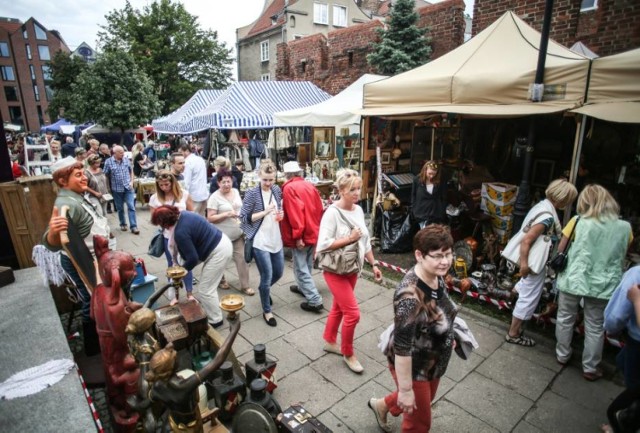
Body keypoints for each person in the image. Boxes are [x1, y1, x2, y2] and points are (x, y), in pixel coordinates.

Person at [369, 225, 457, 433]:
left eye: (448, 254)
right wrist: (406, 390)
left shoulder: (435, 274)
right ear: (419, 255)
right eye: (437, 256)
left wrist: (447, 334)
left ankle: (382, 405)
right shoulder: (409, 297)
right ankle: (398, 398)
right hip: (415, 366)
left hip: (434, 359)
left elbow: (438, 309)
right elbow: (402, 348)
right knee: (418, 424)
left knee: (426, 400)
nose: (444, 261)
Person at [555, 184, 632, 380]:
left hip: (575, 278)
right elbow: (623, 253)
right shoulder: (625, 228)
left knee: (565, 317)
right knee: (595, 325)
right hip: (603, 283)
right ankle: (590, 367)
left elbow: (561, 248)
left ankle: (562, 355)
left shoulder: (577, 221)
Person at [42, 156, 111, 356]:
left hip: (96, 256)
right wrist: (54, 232)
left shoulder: (76, 197)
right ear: (63, 181)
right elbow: (50, 242)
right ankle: (94, 347)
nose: (85, 179)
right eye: (78, 175)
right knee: (92, 299)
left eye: (84, 174)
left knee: (98, 297)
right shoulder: (65, 203)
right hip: (82, 260)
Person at [317, 168, 382, 373]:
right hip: (334, 270)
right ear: (341, 190)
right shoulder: (332, 213)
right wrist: (349, 238)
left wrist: (374, 264)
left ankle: (329, 340)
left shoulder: (358, 210)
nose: (357, 193)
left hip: (353, 268)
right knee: (353, 314)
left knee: (339, 307)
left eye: (358, 188)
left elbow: (365, 241)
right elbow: (323, 245)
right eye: (352, 189)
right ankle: (347, 352)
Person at [505, 179, 578, 347]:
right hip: (533, 264)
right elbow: (527, 241)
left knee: (526, 291)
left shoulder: (541, 207)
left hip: (531, 261)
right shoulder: (547, 217)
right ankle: (514, 333)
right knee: (529, 298)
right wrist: (524, 265)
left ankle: (513, 299)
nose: (569, 203)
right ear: (562, 198)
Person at [151, 205, 233, 328]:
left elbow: (193, 258)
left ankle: (215, 320)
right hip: (218, 242)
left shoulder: (180, 233)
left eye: (160, 224)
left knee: (206, 289)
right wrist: (179, 269)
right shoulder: (184, 214)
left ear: (166, 223)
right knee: (184, 265)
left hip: (219, 251)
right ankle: (209, 311)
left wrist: (181, 272)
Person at [240, 160, 284, 327]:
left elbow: (278, 210)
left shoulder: (276, 190)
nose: (268, 183)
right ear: (259, 176)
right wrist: (264, 212)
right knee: (266, 276)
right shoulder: (252, 193)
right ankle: (267, 310)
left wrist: (281, 215)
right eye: (265, 179)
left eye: (271, 179)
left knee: (278, 273)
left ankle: (263, 291)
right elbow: (243, 217)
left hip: (275, 237)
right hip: (259, 239)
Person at [280, 161, 324, 312]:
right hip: (313, 230)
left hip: (302, 234)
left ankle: (314, 299)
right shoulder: (309, 185)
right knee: (307, 263)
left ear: (287, 174)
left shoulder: (289, 188)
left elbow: (295, 214)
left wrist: (298, 236)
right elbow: (320, 208)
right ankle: (303, 287)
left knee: (301, 267)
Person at [602, 268, 640, 433]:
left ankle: (626, 422)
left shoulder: (636, 274)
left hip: (637, 342)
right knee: (622, 362)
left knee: (634, 387)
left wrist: (637, 300)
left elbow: (616, 317)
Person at [149, 171, 195, 305]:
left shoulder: (184, 194)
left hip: (185, 235)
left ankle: (189, 293)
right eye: (161, 185)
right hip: (167, 235)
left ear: (172, 182)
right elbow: (154, 219)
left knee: (187, 263)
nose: (164, 187)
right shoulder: (154, 198)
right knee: (172, 264)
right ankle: (175, 294)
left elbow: (192, 213)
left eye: (167, 184)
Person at [207, 167, 254, 296]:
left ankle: (245, 286)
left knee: (242, 260)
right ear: (218, 183)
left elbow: (240, 207)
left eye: (229, 181)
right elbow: (210, 218)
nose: (227, 184)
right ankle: (221, 280)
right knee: (221, 260)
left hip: (237, 234)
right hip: (221, 236)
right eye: (224, 182)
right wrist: (227, 214)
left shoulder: (235, 191)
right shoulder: (214, 197)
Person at [104, 145, 139, 234]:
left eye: (123, 152)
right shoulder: (108, 162)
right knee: (120, 208)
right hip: (116, 189)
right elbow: (106, 175)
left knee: (131, 206)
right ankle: (123, 224)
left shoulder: (127, 160)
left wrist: (132, 182)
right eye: (120, 152)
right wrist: (108, 188)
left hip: (128, 187)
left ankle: (134, 226)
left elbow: (131, 171)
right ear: (114, 153)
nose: (123, 154)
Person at [411, 160, 447, 229]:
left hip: (436, 213)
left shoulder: (441, 180)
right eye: (429, 173)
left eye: (434, 174)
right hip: (421, 212)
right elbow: (413, 195)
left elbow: (444, 196)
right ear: (425, 171)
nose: (431, 176)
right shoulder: (417, 180)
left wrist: (442, 210)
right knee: (424, 234)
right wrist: (413, 209)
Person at [180, 142, 209, 215]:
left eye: (180, 152)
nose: (180, 155)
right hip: (203, 194)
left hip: (194, 197)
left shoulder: (187, 162)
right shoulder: (200, 159)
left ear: (186, 151)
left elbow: (186, 182)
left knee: (193, 220)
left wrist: (184, 198)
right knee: (201, 220)